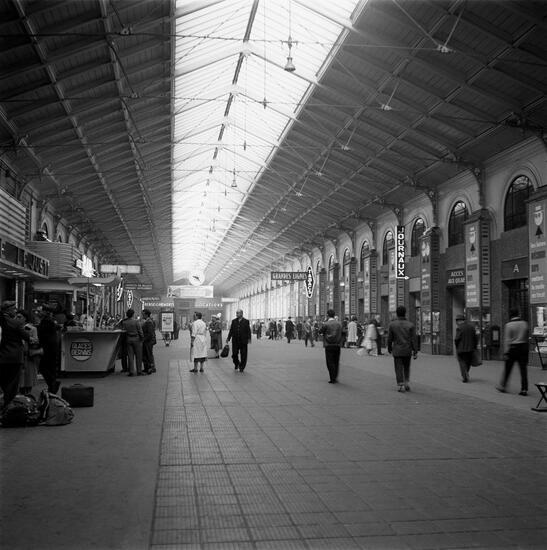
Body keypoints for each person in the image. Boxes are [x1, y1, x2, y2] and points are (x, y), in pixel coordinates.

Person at [0, 301, 30, 410]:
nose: (15, 311)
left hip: (2, 357)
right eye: (14, 309)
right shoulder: (15, 323)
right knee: (12, 382)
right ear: (8, 310)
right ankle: (8, 406)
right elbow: (27, 337)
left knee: (3, 381)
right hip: (13, 357)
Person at [497, 308, 529, 396]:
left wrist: (506, 352)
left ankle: (503, 386)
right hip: (523, 347)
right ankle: (524, 389)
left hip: (513, 348)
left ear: (510, 315)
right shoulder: (524, 323)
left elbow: (507, 340)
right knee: (523, 369)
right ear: (518, 314)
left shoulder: (509, 325)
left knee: (508, 368)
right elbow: (527, 336)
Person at [387, 305, 418, 392]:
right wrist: (415, 351)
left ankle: (400, 383)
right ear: (405, 313)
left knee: (398, 367)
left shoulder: (392, 325)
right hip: (407, 349)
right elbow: (414, 339)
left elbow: (390, 338)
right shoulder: (411, 325)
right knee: (407, 366)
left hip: (397, 349)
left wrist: (389, 348)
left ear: (397, 314)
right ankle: (406, 382)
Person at [37, 304, 61, 393]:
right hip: (51, 348)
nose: (39, 312)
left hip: (48, 348)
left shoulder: (46, 322)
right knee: (50, 368)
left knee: (44, 367)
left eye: (41, 311)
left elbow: (43, 335)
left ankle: (52, 384)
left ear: (46, 312)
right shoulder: (50, 321)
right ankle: (52, 386)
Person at [17, 310, 41, 395]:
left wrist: (29, 339)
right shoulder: (14, 327)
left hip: (28, 355)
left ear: (25, 318)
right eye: (17, 316)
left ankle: (27, 393)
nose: (17, 318)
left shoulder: (31, 329)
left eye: (20, 317)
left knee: (29, 376)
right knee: (20, 378)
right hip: (18, 355)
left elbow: (36, 341)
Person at [319, 309, 342, 383]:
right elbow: (343, 332)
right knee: (336, 361)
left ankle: (332, 378)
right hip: (337, 345)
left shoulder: (326, 324)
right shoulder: (339, 324)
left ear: (328, 315)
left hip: (328, 345)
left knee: (330, 362)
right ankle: (335, 377)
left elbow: (320, 331)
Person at [454, 313, 478, 383]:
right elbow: (475, 338)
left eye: (456, 321)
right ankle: (466, 373)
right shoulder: (471, 327)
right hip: (470, 349)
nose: (456, 323)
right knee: (468, 362)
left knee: (462, 362)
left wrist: (456, 346)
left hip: (461, 349)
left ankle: (465, 376)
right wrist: (475, 346)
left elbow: (457, 339)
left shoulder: (459, 328)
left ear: (459, 321)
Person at [121, 308, 144, 376]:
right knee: (138, 356)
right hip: (136, 339)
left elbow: (123, 330)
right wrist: (142, 338)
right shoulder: (136, 321)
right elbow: (140, 331)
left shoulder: (124, 322)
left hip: (128, 339)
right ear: (133, 314)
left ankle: (131, 371)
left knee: (130, 356)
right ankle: (139, 371)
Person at [141, 309, 156, 374]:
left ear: (146, 314)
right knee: (147, 354)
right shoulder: (147, 321)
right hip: (148, 341)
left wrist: (144, 339)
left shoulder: (149, 322)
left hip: (148, 341)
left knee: (148, 354)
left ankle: (150, 368)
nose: (142, 315)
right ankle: (148, 368)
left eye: (143, 314)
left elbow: (150, 333)